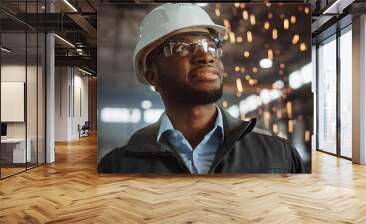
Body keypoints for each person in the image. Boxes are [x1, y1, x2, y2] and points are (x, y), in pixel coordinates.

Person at [98, 3, 306, 174]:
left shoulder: (278, 153)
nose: (205, 56)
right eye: (181, 47)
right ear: (152, 75)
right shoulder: (117, 165)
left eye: (210, 46)